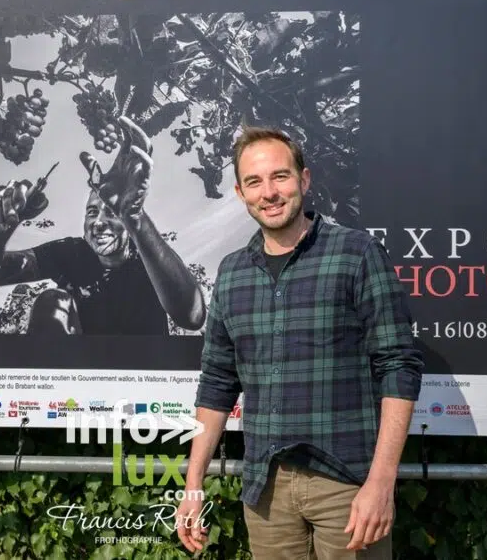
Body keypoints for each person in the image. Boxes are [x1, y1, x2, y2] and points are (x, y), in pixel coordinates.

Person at [175, 126, 423, 559]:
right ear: (240, 193)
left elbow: (398, 366)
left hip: (347, 485)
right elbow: (216, 382)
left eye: (280, 176)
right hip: (266, 488)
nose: (269, 192)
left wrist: (382, 482)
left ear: (304, 180)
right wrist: (193, 484)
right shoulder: (232, 273)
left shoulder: (356, 254)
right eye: (254, 182)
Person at [0, 116, 206, 336]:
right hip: (79, 371)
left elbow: (192, 317)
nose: (98, 222)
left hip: (144, 371)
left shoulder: (149, 258)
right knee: (52, 300)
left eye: (112, 213)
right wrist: (0, 227)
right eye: (91, 212)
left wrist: (134, 218)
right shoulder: (71, 253)